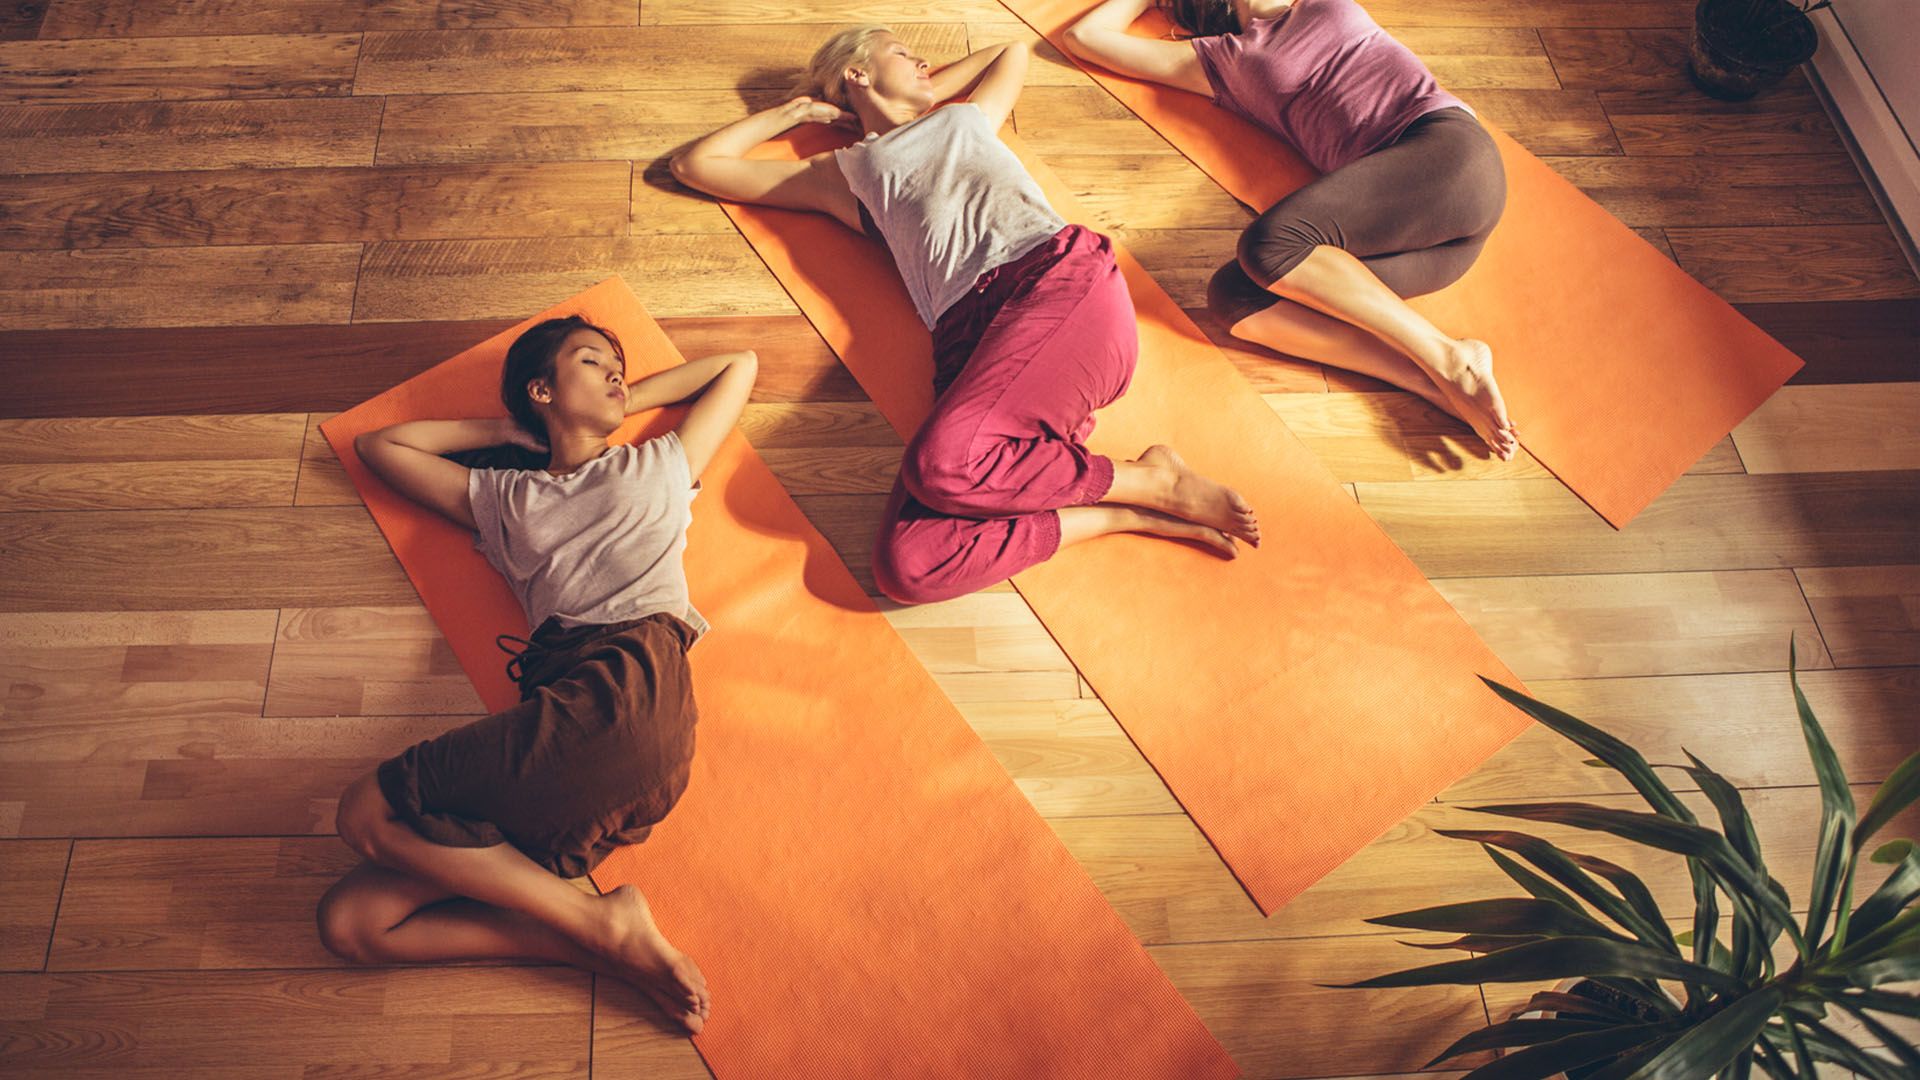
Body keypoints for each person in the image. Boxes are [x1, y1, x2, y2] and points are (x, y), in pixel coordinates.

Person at [670, 28, 1261, 604]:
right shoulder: (842, 173)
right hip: (969, 344)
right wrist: (803, 110)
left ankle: (1155, 482)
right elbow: (697, 166)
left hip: (1054, 284)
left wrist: (908, 89)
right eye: (904, 52)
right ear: (857, 73)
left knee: (942, 466)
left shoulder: (964, 118)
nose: (925, 61)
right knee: (910, 565)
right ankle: (1123, 511)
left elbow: (1007, 51)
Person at [316, 315, 759, 1033]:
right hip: (587, 742)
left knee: (365, 812)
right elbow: (380, 446)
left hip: (628, 690)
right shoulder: (505, 500)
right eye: (593, 361)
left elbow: (737, 364)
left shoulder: (658, 464)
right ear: (541, 389)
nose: (617, 372)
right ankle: (591, 940)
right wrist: (509, 430)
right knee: (352, 923)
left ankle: (600, 924)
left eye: (620, 365)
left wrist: (623, 394)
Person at [1064, 0, 1518, 459]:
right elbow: (1083, 38)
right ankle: (1426, 381)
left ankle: (1445, 355)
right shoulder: (1221, 58)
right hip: (1433, 247)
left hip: (1449, 158)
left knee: (1270, 244)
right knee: (1236, 298)